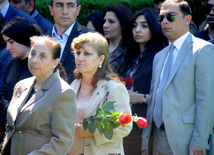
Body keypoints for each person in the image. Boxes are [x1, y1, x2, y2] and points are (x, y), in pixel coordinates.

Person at [141, 0, 214, 155]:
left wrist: (200, 140)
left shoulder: (203, 50)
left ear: (188, 19)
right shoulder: (159, 56)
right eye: (161, 18)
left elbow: (206, 100)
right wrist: (145, 141)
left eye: (171, 17)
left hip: (186, 140)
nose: (165, 21)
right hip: (155, 138)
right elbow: (154, 99)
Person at [0, 35, 76, 155]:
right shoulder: (21, 85)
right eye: (33, 53)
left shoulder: (63, 92)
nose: (34, 60)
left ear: (55, 63)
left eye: (43, 56)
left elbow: (62, 141)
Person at [68, 32, 132, 155]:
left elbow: (125, 127)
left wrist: (92, 131)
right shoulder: (73, 85)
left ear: (101, 59)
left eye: (87, 53)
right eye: (78, 53)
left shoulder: (114, 88)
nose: (80, 58)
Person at [122, 7, 168, 155]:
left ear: (154, 28)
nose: (137, 30)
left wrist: (141, 98)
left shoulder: (160, 56)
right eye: (135, 25)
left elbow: (167, 96)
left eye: (144, 25)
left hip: (147, 125)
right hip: (127, 124)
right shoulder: (132, 55)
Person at [46, 0, 92, 84]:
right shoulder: (41, 40)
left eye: (70, 6)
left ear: (78, 10)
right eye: (59, 5)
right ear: (51, 10)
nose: (65, 12)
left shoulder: (91, 39)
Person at [102, 4, 133, 76]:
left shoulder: (129, 52)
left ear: (123, 24)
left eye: (111, 21)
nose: (105, 25)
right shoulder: (98, 47)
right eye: (104, 21)